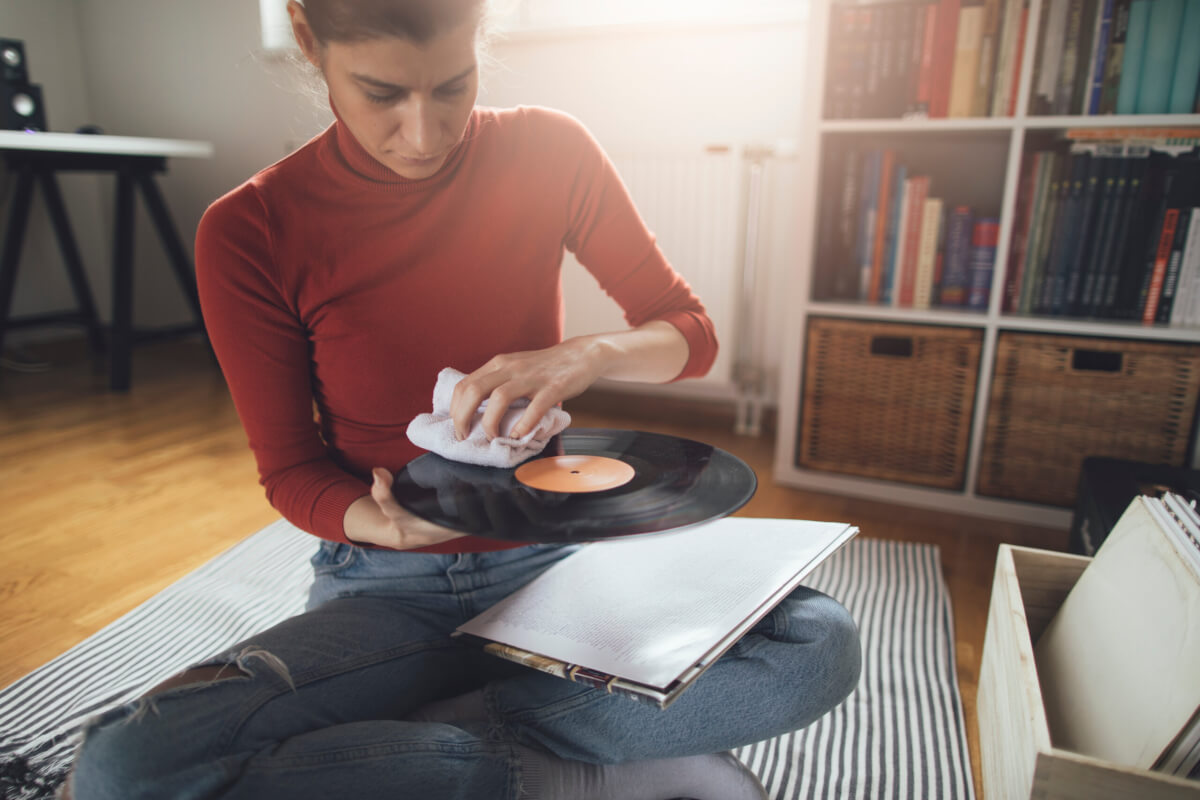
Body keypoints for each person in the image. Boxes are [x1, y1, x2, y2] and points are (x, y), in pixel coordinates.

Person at [64, 1, 861, 798]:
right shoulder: (249, 228)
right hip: (385, 586)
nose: (426, 132)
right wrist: (379, 522)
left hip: (557, 565)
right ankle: (566, 759)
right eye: (383, 94)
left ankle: (435, 752)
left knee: (815, 642)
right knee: (120, 768)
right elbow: (290, 470)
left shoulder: (551, 149)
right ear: (309, 42)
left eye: (454, 86)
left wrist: (586, 353)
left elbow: (690, 336)